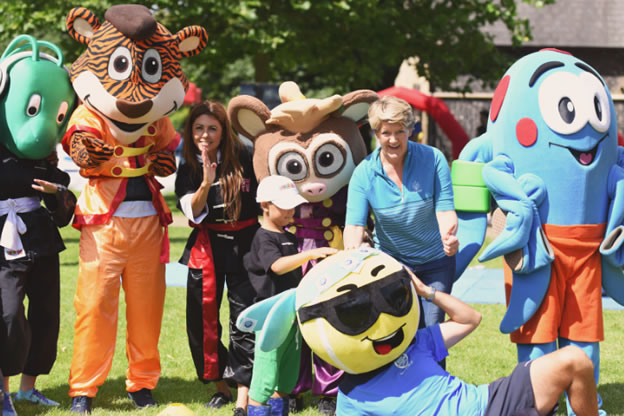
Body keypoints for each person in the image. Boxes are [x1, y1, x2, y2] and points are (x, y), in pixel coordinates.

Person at [337, 270, 599, 416]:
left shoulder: (416, 342)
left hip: (489, 401)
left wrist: (426, 291)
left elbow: (470, 319)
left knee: (574, 360)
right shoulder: (352, 392)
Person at [343, 96, 459, 363]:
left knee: (430, 330)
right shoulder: (364, 174)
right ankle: (402, 391)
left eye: (400, 132)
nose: (393, 139)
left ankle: (434, 389)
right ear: (376, 133)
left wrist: (448, 236)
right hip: (393, 264)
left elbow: (445, 210)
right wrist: (352, 251)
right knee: (396, 330)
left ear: (410, 130)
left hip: (435, 262)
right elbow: (354, 226)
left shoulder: (433, 159)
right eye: (386, 133)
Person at [175, 100, 259, 416]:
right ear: (191, 130)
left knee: (244, 319)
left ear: (224, 130)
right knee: (202, 320)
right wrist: (206, 183)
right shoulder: (189, 164)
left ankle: (242, 393)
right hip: (207, 245)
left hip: (247, 244)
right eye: (199, 128)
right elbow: (192, 211)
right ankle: (219, 387)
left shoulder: (247, 156)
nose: (205, 135)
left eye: (212, 128)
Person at [244, 175, 337, 416]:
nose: (290, 211)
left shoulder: (288, 236)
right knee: (266, 375)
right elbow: (276, 266)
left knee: (286, 376)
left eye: (292, 205)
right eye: (284, 206)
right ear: (265, 205)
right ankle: (255, 410)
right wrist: (311, 253)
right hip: (270, 319)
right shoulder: (263, 237)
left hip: (291, 316)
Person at [1, 149, 76, 416]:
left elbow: (62, 199)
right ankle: (3, 393)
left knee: (46, 315)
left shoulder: (40, 157)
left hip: (41, 240)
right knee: (7, 314)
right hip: (4, 242)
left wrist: (55, 194)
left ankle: (27, 389)